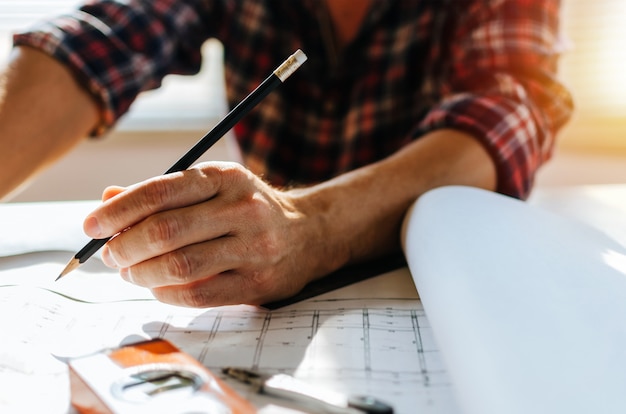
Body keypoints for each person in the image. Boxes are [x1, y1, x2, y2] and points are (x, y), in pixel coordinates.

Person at [0, 0, 572, 307]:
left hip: (442, 292)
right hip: (258, 307)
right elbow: (99, 39)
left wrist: (306, 226)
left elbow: (509, 113)